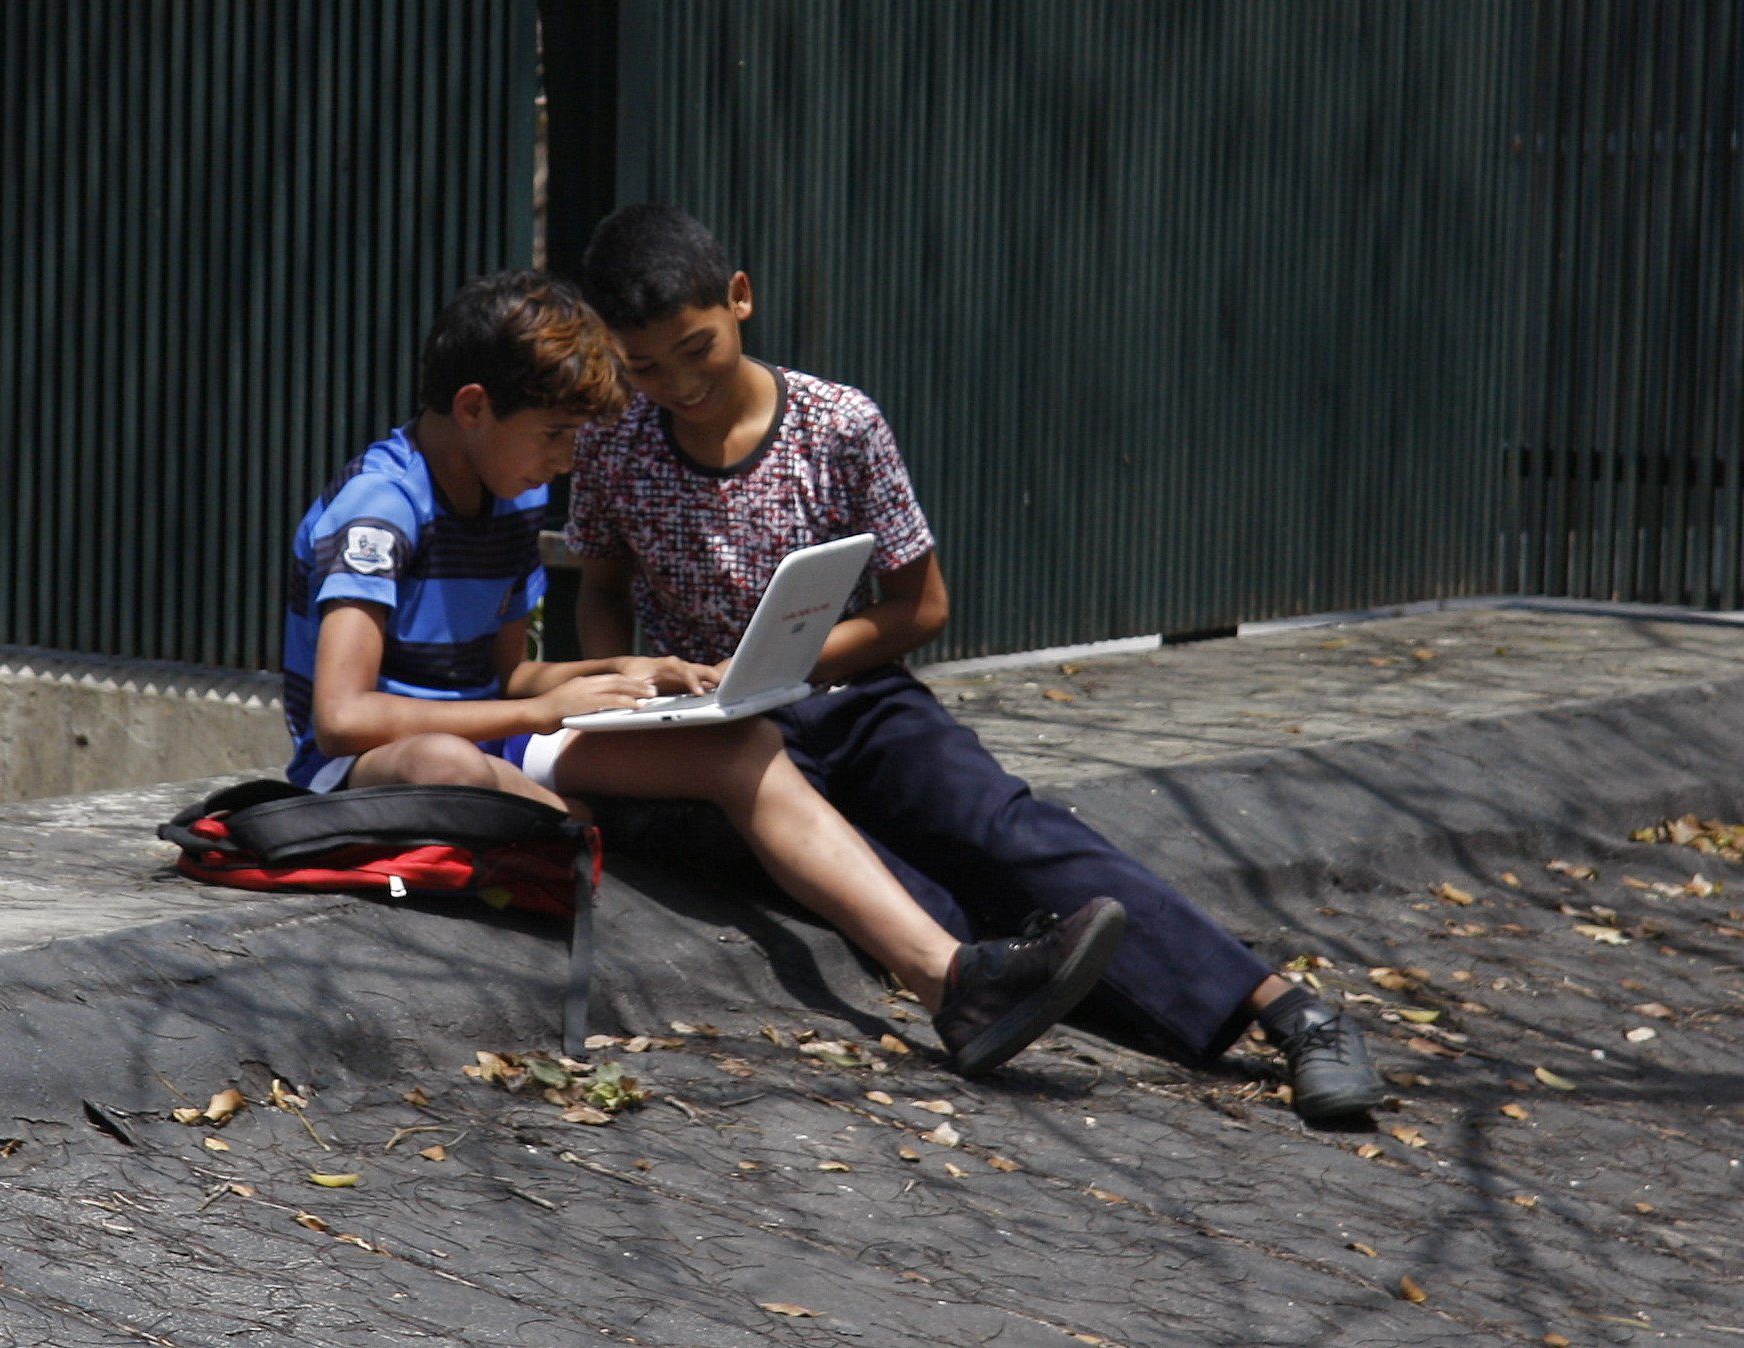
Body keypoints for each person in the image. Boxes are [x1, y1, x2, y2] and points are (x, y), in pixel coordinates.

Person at [566, 205, 1384, 1121]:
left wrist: (779, 665)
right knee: (906, 894)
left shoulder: (838, 426)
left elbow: (922, 606)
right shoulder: (610, 441)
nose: (676, 383)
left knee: (1006, 835)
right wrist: (631, 677)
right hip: (724, 740)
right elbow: (600, 588)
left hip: (858, 702)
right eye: (643, 365)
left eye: (695, 347)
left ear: (740, 299)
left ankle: (1291, 1012)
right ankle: (1007, 998)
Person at [281, 268, 1124, 1078]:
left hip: (491, 739)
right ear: (473, 408)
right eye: (553, 436)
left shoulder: (510, 497)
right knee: (445, 765)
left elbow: (503, 680)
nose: (568, 462)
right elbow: (342, 719)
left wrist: (623, 670)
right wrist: (547, 714)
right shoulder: (379, 510)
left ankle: (953, 982)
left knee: (739, 745)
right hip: (369, 764)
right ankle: (580, 826)